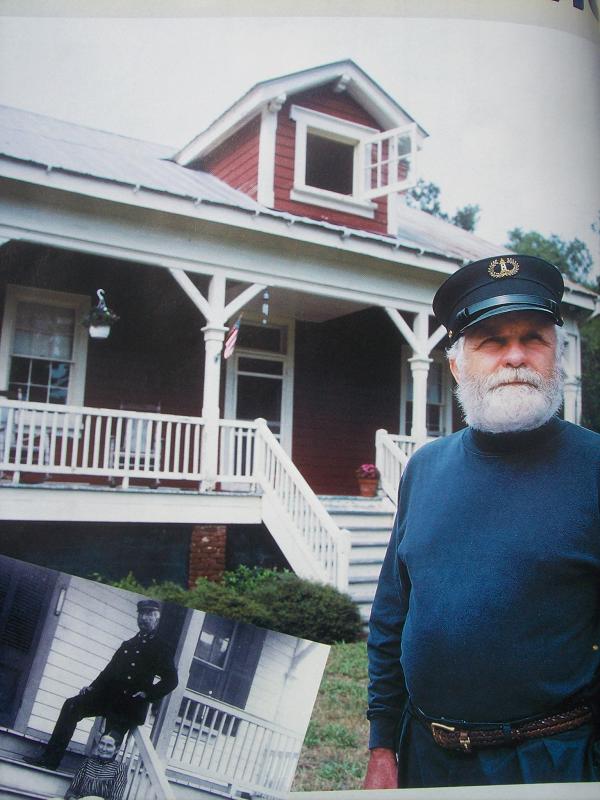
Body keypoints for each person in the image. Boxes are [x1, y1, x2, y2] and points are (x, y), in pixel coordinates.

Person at [364, 254, 600, 788]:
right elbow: (390, 617)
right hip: (428, 759)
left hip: (553, 766)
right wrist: (382, 743)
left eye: (533, 338)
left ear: (556, 356)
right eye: (491, 341)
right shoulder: (424, 469)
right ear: (456, 365)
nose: (514, 356)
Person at [25, 599, 178, 771]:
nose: (144, 618)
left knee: (108, 743)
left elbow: (171, 680)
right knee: (72, 705)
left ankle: (94, 786)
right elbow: (108, 672)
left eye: (149, 614)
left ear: (157, 619)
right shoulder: (128, 645)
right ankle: (50, 760)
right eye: (141, 613)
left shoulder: (161, 648)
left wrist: (147, 694)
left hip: (128, 706)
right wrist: (92, 688)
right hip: (107, 697)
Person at [50, 732, 127, 800]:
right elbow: (72, 791)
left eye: (109, 746)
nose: (103, 748)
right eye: (102, 743)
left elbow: (115, 798)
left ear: (116, 749)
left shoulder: (120, 769)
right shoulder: (88, 762)